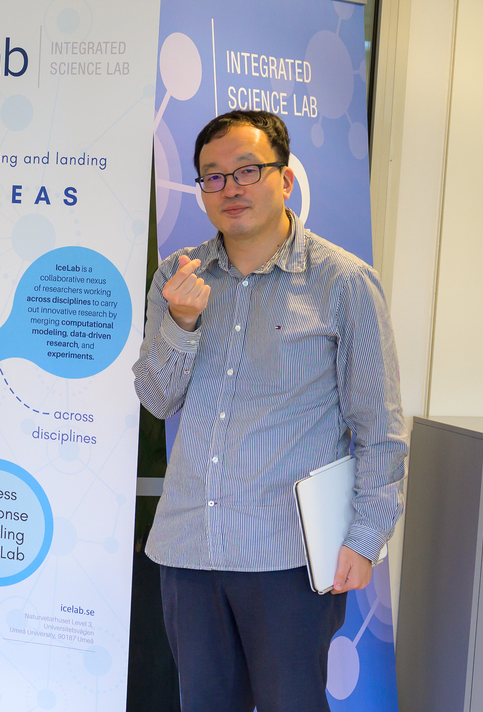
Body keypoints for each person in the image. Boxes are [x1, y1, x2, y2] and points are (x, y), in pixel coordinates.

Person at [132, 110, 406, 711]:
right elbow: (157, 397)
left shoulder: (344, 283)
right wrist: (181, 324)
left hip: (287, 553)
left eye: (247, 171)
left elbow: (380, 428)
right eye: (213, 177)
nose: (231, 188)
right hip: (189, 550)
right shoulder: (179, 277)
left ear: (284, 180)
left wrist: (365, 538)